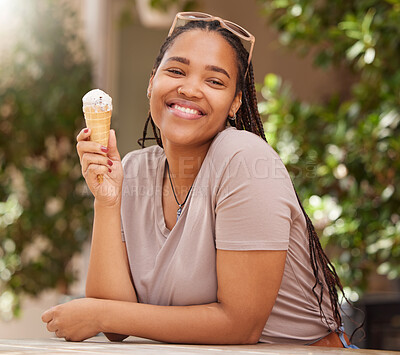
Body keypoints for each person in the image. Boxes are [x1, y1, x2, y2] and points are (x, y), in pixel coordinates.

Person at [42, 12, 356, 347]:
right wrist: (107, 201)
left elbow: (240, 326)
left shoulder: (244, 160)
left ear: (236, 101)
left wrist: (101, 315)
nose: (190, 88)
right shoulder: (133, 171)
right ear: (152, 82)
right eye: (176, 71)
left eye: (215, 81)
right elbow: (117, 325)